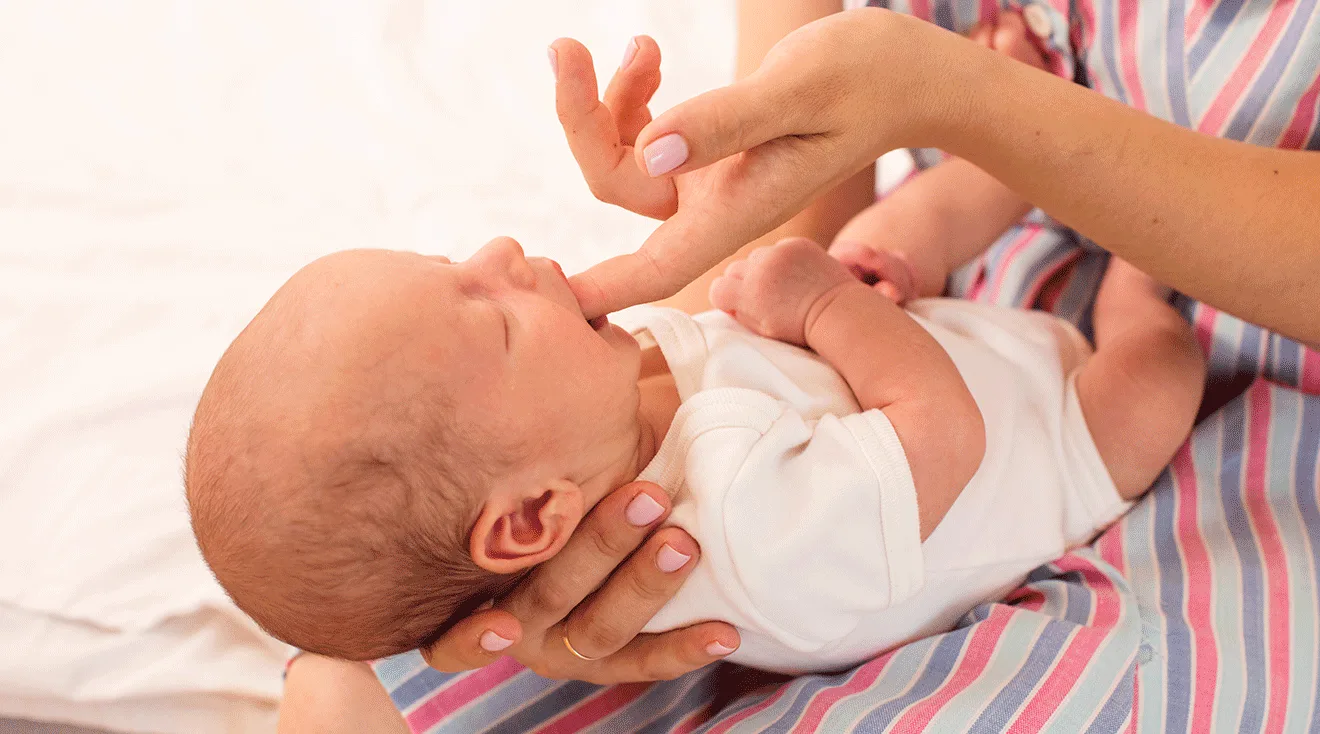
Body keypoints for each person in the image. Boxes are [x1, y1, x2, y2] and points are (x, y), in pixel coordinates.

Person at [284, 2, 1320, 732]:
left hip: (1245, 341)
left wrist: (962, 105)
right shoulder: (734, 501)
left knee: (1146, 367)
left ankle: (1138, 292)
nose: (502, 254)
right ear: (530, 518)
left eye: (454, 263)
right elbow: (936, 429)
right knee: (359, 670)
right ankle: (1132, 291)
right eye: (489, 315)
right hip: (969, 390)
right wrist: (802, 261)